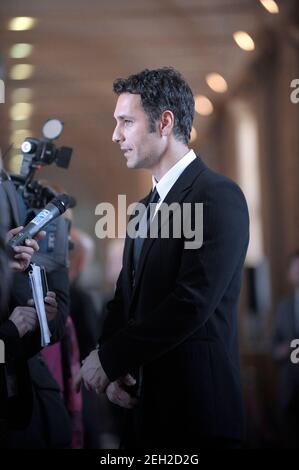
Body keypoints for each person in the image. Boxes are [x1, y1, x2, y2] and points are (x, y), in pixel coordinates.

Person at [76, 67, 249, 448]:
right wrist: (114, 364)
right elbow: (124, 300)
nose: (115, 135)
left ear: (165, 122)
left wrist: (110, 358)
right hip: (142, 415)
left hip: (197, 418)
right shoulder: (141, 210)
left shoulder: (216, 196)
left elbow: (191, 302)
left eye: (126, 122)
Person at [272, 251, 299, 447]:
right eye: (295, 269)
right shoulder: (283, 307)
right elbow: (273, 347)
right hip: (289, 389)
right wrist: (286, 349)